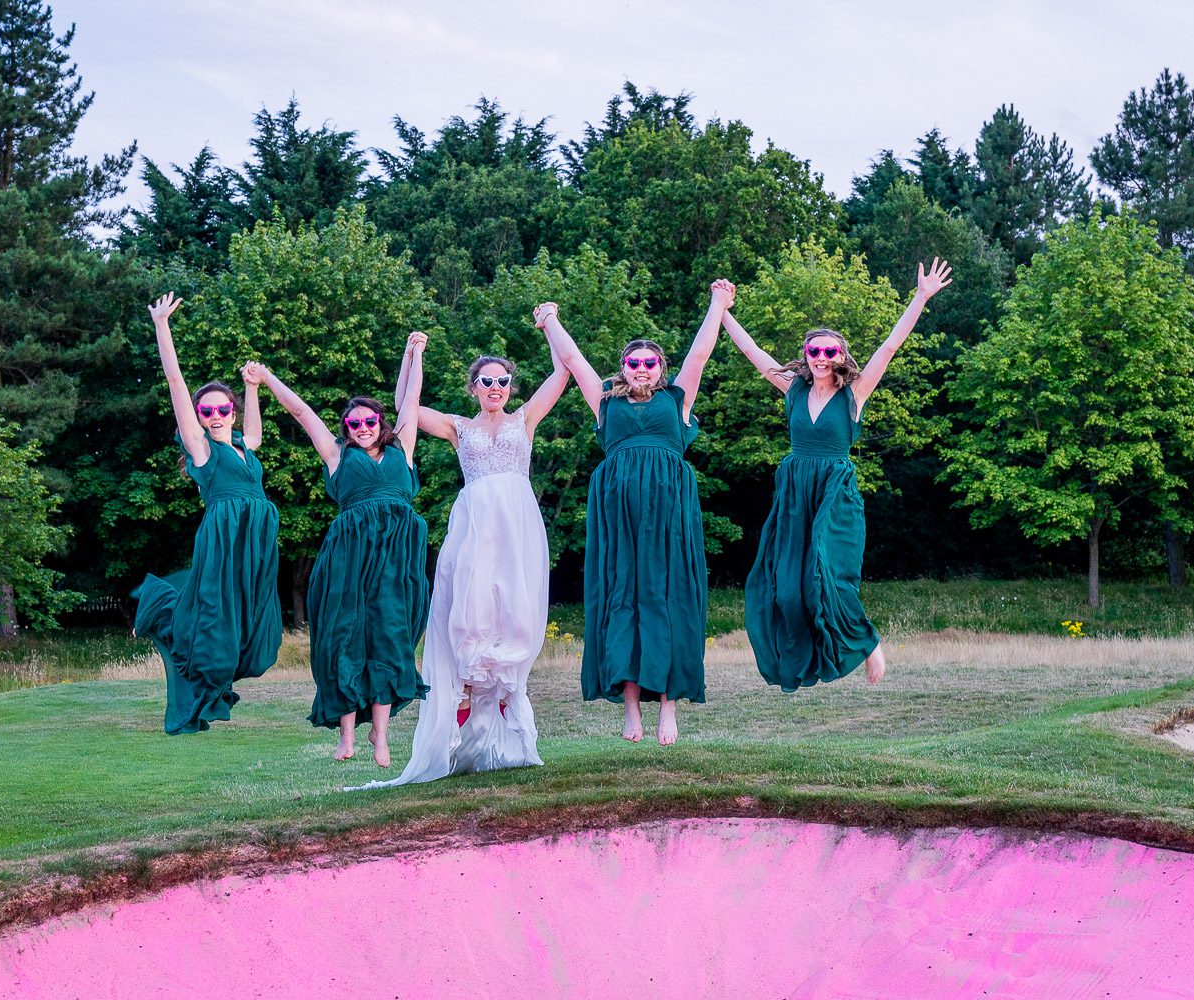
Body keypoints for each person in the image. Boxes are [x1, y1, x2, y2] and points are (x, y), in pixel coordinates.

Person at [722, 259, 952, 690]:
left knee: (824, 577)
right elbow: (753, 353)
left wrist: (921, 297)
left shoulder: (855, 392)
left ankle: (867, 641)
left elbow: (888, 348)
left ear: (841, 356)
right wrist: (723, 312)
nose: (823, 358)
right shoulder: (792, 389)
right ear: (806, 357)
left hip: (834, 494)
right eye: (815, 351)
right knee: (788, 589)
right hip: (794, 494)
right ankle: (805, 661)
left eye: (831, 352)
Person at [352, 342, 571, 790]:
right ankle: (464, 703)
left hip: (517, 526)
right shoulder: (458, 428)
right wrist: (412, 355)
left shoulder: (524, 418)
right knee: (470, 612)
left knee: (515, 611)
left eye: (502, 380)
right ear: (474, 388)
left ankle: (506, 700)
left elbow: (562, 374)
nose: (496, 387)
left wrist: (547, 326)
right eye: (486, 381)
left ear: (510, 386)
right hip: (475, 525)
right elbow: (404, 406)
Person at [535, 281, 730, 745]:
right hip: (618, 511)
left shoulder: (677, 400)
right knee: (622, 593)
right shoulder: (606, 400)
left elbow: (700, 355)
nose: (641, 369)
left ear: (660, 369)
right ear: (624, 367)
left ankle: (667, 708)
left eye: (650, 363)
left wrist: (718, 305)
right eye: (633, 362)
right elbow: (574, 360)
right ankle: (629, 708)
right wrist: (550, 321)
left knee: (669, 597)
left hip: (668, 511)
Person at [247, 333, 431, 767]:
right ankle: (347, 735)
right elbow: (301, 411)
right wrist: (268, 377)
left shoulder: (402, 447)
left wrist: (415, 353)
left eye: (370, 422)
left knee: (390, 638)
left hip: (396, 559)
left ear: (380, 424)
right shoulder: (336, 456)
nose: (363, 428)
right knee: (345, 637)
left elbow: (412, 397)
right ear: (346, 430)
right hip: (349, 560)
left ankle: (381, 736)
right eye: (355, 424)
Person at [133, 292, 282, 734]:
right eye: (207, 411)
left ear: (230, 412)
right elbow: (176, 383)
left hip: (255, 545)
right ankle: (176, 629)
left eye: (222, 409)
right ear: (199, 417)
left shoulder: (244, 447)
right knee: (216, 618)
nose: (215, 416)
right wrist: (162, 325)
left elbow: (254, 429)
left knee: (255, 635)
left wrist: (253, 386)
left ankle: (216, 668)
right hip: (224, 539)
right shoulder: (201, 450)